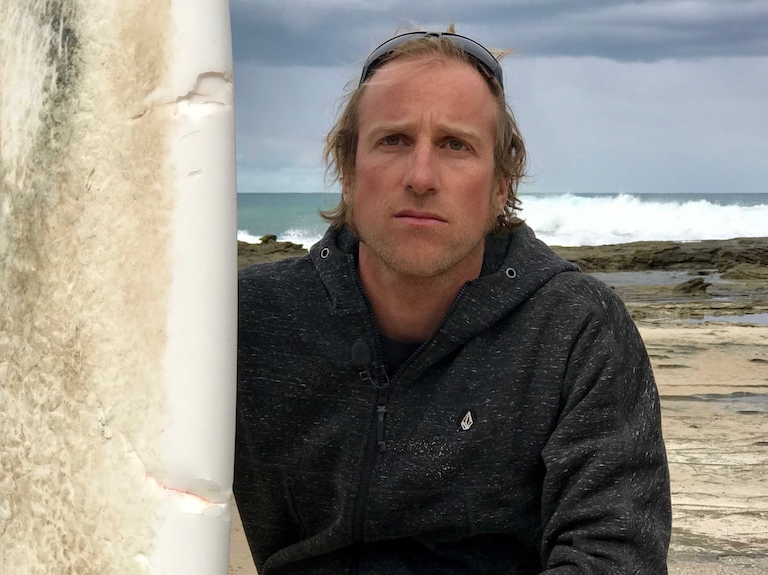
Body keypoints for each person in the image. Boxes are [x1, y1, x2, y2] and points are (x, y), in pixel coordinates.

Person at [235, 28, 671, 574]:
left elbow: (613, 556)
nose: (420, 177)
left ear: (499, 186)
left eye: (455, 145)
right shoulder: (249, 321)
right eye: (393, 140)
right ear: (348, 171)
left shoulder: (574, 329)